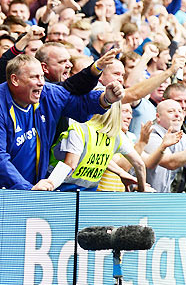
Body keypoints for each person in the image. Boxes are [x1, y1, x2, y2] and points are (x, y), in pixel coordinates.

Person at [0, 54, 124, 190]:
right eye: (34, 77)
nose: (41, 82)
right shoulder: (2, 105)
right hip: (7, 191)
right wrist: (26, 187)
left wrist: (105, 99)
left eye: (42, 76)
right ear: (15, 80)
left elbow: (78, 104)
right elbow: (0, 158)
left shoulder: (47, 94)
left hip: (33, 189)